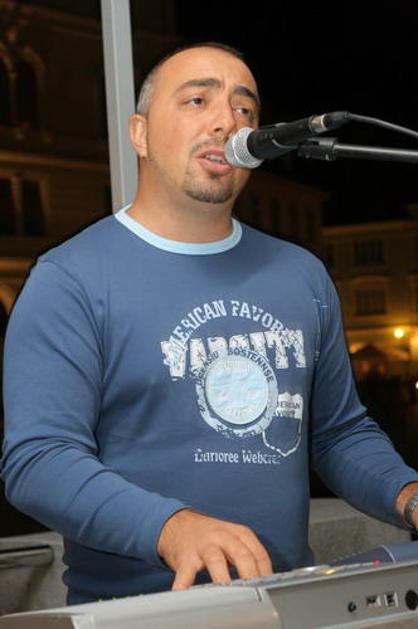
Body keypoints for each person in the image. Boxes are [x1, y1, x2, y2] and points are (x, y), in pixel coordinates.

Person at [1, 41, 418, 607]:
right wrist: (171, 527)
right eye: (197, 100)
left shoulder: (301, 275)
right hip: (136, 613)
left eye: (245, 109)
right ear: (140, 134)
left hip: (285, 604)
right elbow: (39, 460)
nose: (227, 121)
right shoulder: (70, 279)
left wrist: (407, 494)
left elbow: (338, 433)